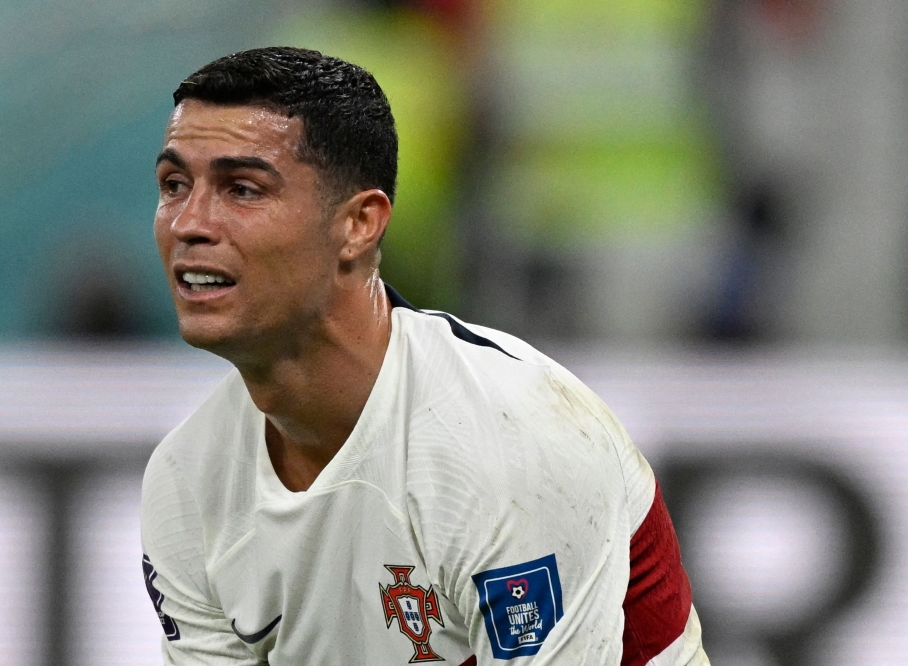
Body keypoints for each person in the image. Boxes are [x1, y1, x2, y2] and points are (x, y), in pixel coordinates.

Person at [141, 46, 708, 666]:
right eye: (174, 185)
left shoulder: (512, 441)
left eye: (243, 190)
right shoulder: (185, 482)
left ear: (360, 224)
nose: (189, 223)